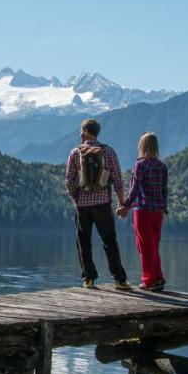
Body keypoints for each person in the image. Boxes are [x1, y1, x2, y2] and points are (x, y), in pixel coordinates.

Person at [65, 118, 132, 290]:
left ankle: (89, 278)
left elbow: (69, 180)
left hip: (83, 205)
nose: (80, 133)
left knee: (83, 241)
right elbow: (117, 178)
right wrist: (121, 202)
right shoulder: (109, 152)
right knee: (109, 241)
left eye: (81, 130)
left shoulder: (75, 152)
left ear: (86, 132)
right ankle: (120, 279)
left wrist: (75, 199)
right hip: (103, 203)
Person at [117, 132, 168, 291]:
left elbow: (135, 189)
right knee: (153, 246)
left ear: (142, 146)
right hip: (157, 212)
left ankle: (148, 281)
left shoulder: (140, 165)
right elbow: (164, 190)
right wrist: (163, 209)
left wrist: (125, 206)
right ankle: (158, 278)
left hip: (143, 211)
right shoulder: (162, 166)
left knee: (144, 247)